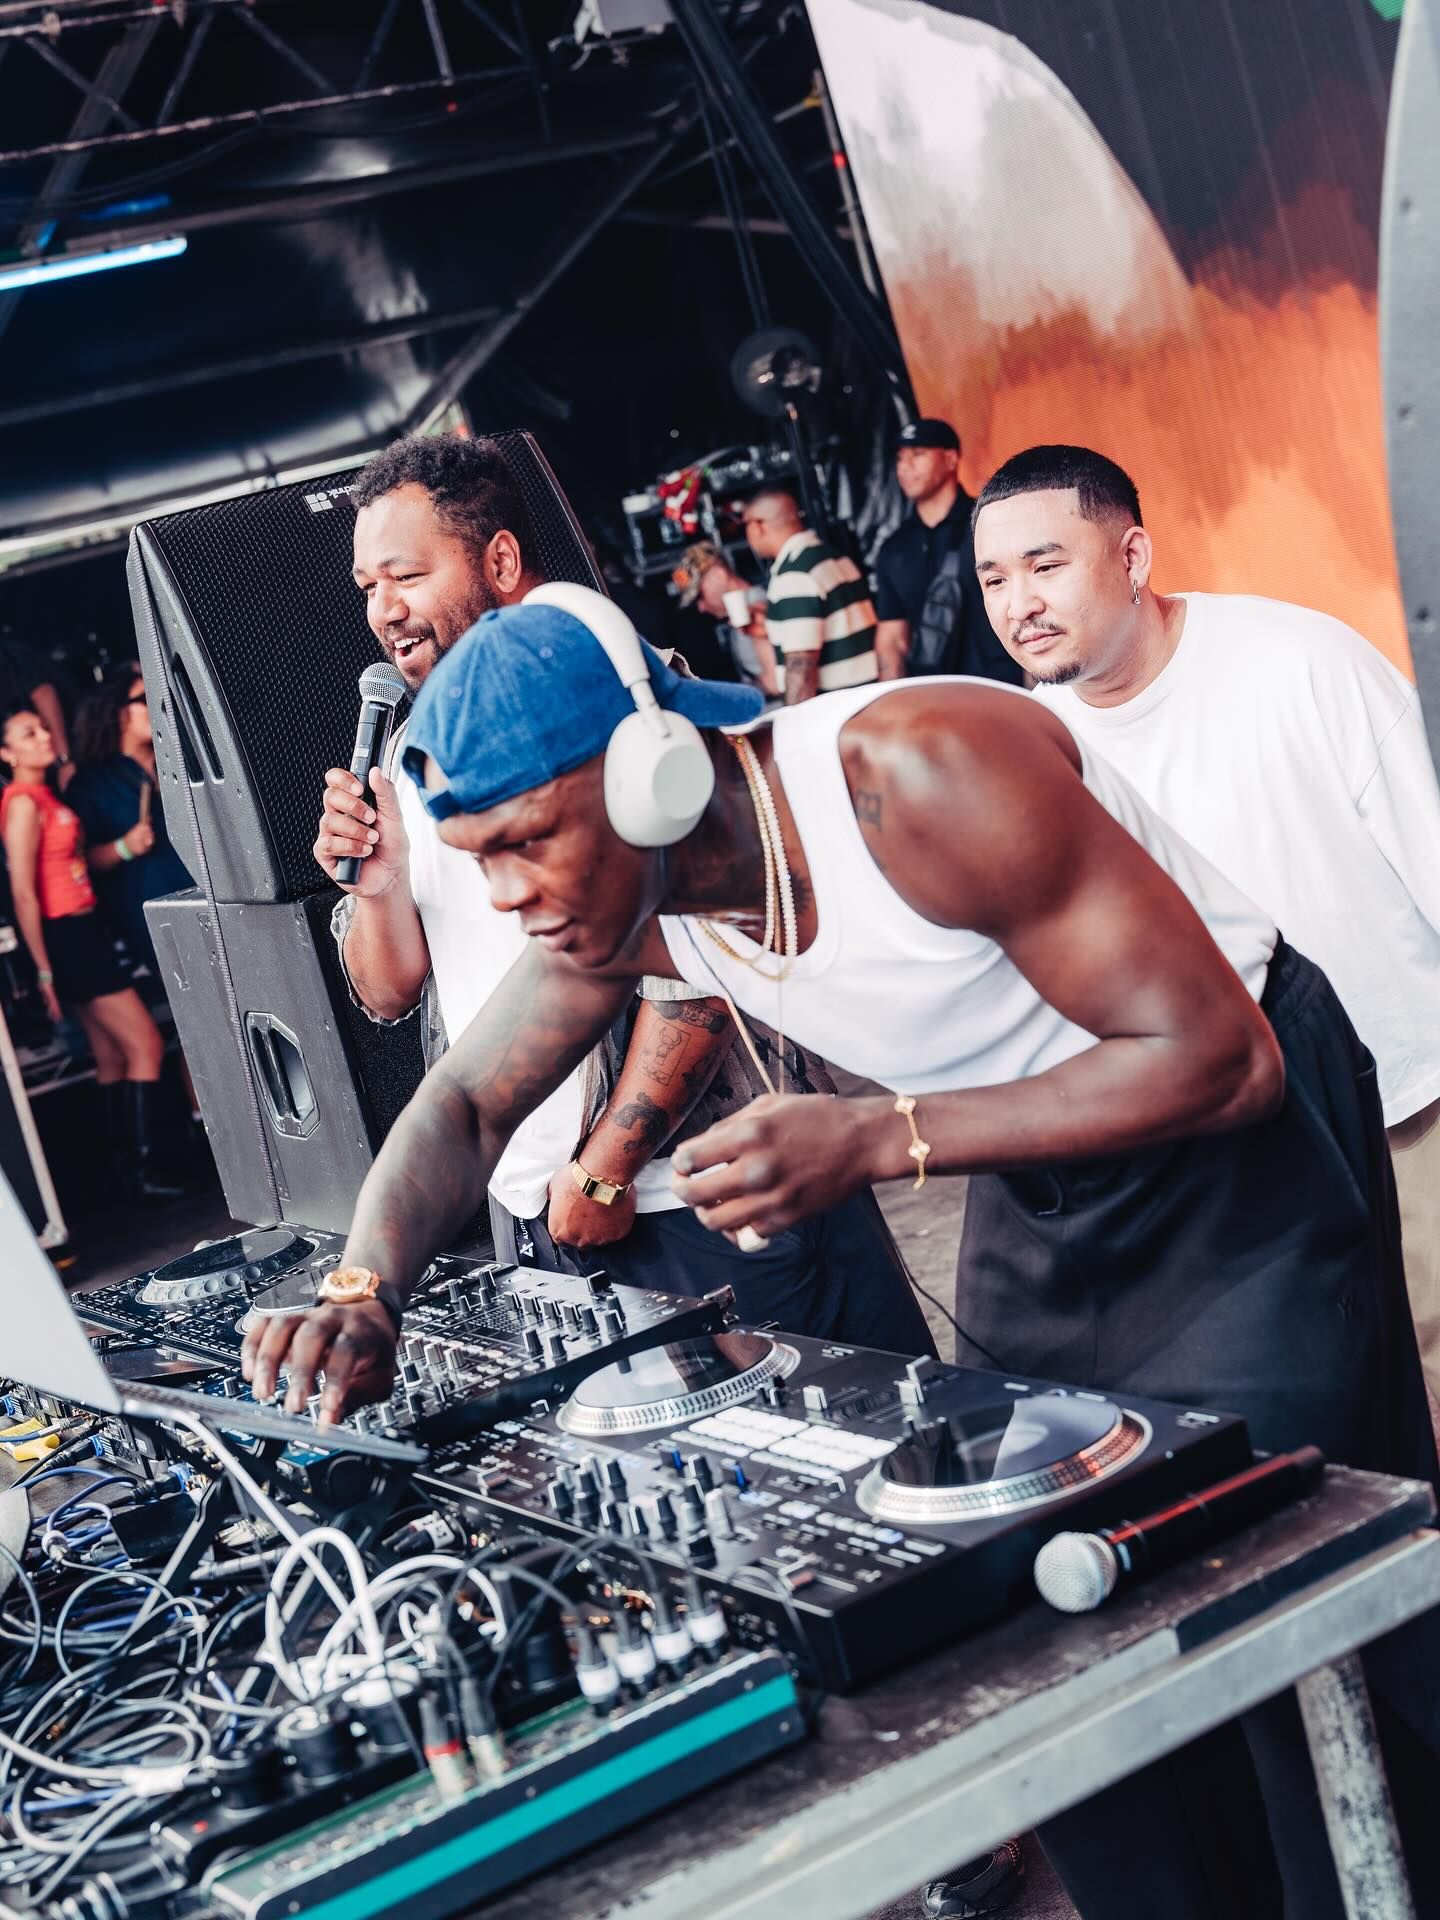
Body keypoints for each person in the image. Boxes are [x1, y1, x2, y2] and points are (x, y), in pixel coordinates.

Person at [248, 594, 1439, 1920]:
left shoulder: (923, 771)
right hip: (1030, 1158)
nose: (507, 894)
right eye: (480, 860)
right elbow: (468, 1102)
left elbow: (1220, 1061)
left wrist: (879, 1136)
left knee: (1266, 1565)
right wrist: (363, 1287)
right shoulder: (632, 908)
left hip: (1236, 1138)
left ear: (652, 775)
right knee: (1030, 1591)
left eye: (527, 841)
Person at [316, 432, 929, 1348]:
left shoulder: (636, 706)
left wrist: (608, 1165)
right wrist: (379, 886)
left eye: (404, 576)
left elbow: (713, 944)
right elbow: (392, 997)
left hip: (699, 1193)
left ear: (501, 562)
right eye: (367, 587)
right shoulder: (404, 752)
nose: (383, 609)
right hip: (537, 1212)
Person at [973, 443, 1440, 1412]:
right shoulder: (1029, 749)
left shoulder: (1302, 663)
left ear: (1133, 557)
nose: (1021, 604)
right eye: (995, 579)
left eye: (1046, 565)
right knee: (1339, 1419)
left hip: (1406, 1104)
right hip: (1222, 1148)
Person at [0, 705, 182, 1199]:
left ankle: (122, 1174)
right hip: (66, 937)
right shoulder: (22, 802)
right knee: (145, 1044)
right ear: (7, 753)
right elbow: (23, 894)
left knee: (110, 1055)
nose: (43, 736)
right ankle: (145, 1171)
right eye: (28, 734)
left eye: (43, 727)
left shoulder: (46, 794)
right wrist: (43, 970)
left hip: (80, 930)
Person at [873, 419, 1024, 689]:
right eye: (900, 458)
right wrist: (894, 700)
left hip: (1004, 687)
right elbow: (892, 639)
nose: (905, 467)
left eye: (918, 454)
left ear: (950, 459)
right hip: (935, 695)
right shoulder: (893, 548)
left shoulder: (991, 525)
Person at [67, 665, 193, 978]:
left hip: (210, 900)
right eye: (143, 699)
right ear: (118, 713)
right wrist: (123, 847)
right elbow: (81, 861)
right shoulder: (91, 783)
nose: (157, 705)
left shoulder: (182, 760)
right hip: (156, 917)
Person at [743, 490, 877, 703]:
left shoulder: (793, 575)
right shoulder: (834, 557)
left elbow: (800, 666)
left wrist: (794, 719)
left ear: (757, 526)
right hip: (868, 696)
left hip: (840, 707)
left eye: (745, 525)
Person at [673, 541, 779, 696]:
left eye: (700, 595)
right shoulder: (742, 613)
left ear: (719, 574)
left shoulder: (755, 609)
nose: (701, 607)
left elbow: (775, 683)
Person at [0, 637, 74, 779]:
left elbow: (44, 695)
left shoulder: (10, 659)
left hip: (65, 751)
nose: (45, 735)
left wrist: (63, 761)